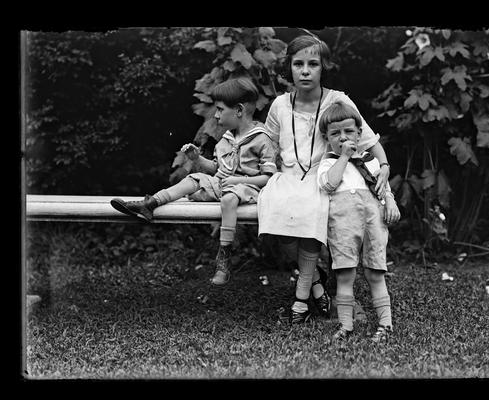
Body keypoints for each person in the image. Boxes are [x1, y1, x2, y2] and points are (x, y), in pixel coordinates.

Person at [257, 34, 391, 324]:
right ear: (289, 68)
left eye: (313, 64)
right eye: (298, 64)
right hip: (289, 177)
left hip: (325, 177)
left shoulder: (337, 100)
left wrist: (385, 165)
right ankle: (316, 281)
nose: (305, 71)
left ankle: (308, 295)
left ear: (323, 67)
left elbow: (366, 139)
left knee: (316, 205)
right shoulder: (280, 105)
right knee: (272, 206)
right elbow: (267, 145)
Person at [111, 77, 277, 286]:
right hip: (223, 185)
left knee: (229, 200)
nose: (216, 116)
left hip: (248, 189)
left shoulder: (262, 139)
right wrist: (197, 159)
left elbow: (269, 178)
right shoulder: (226, 139)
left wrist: (237, 179)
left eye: (219, 110)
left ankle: (223, 259)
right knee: (193, 178)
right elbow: (216, 169)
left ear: (239, 110)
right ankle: (150, 203)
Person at [317, 101, 400, 342]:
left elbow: (383, 188)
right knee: (345, 275)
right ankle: (346, 325)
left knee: (376, 272)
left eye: (348, 131)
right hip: (343, 225)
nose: (343, 138)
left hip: (373, 222)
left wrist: (391, 202)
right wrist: (343, 157)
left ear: (359, 134)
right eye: (335, 133)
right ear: (327, 137)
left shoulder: (371, 161)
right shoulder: (329, 163)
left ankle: (385, 325)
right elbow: (329, 184)